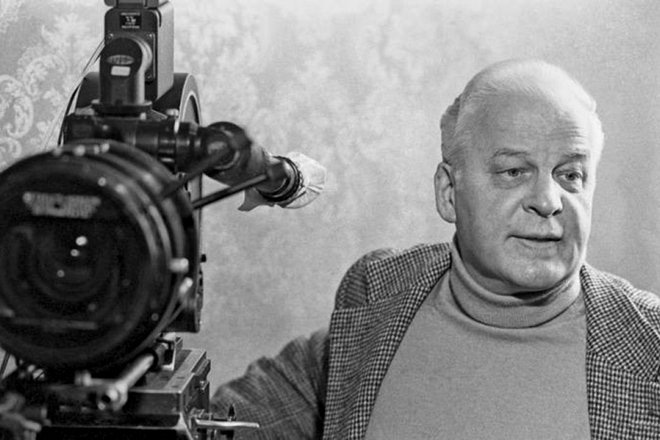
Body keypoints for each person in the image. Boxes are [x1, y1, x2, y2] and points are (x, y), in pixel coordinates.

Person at [211, 59, 660, 439]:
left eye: (570, 175)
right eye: (514, 171)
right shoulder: (377, 296)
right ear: (448, 192)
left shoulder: (649, 344)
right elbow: (228, 419)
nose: (548, 201)